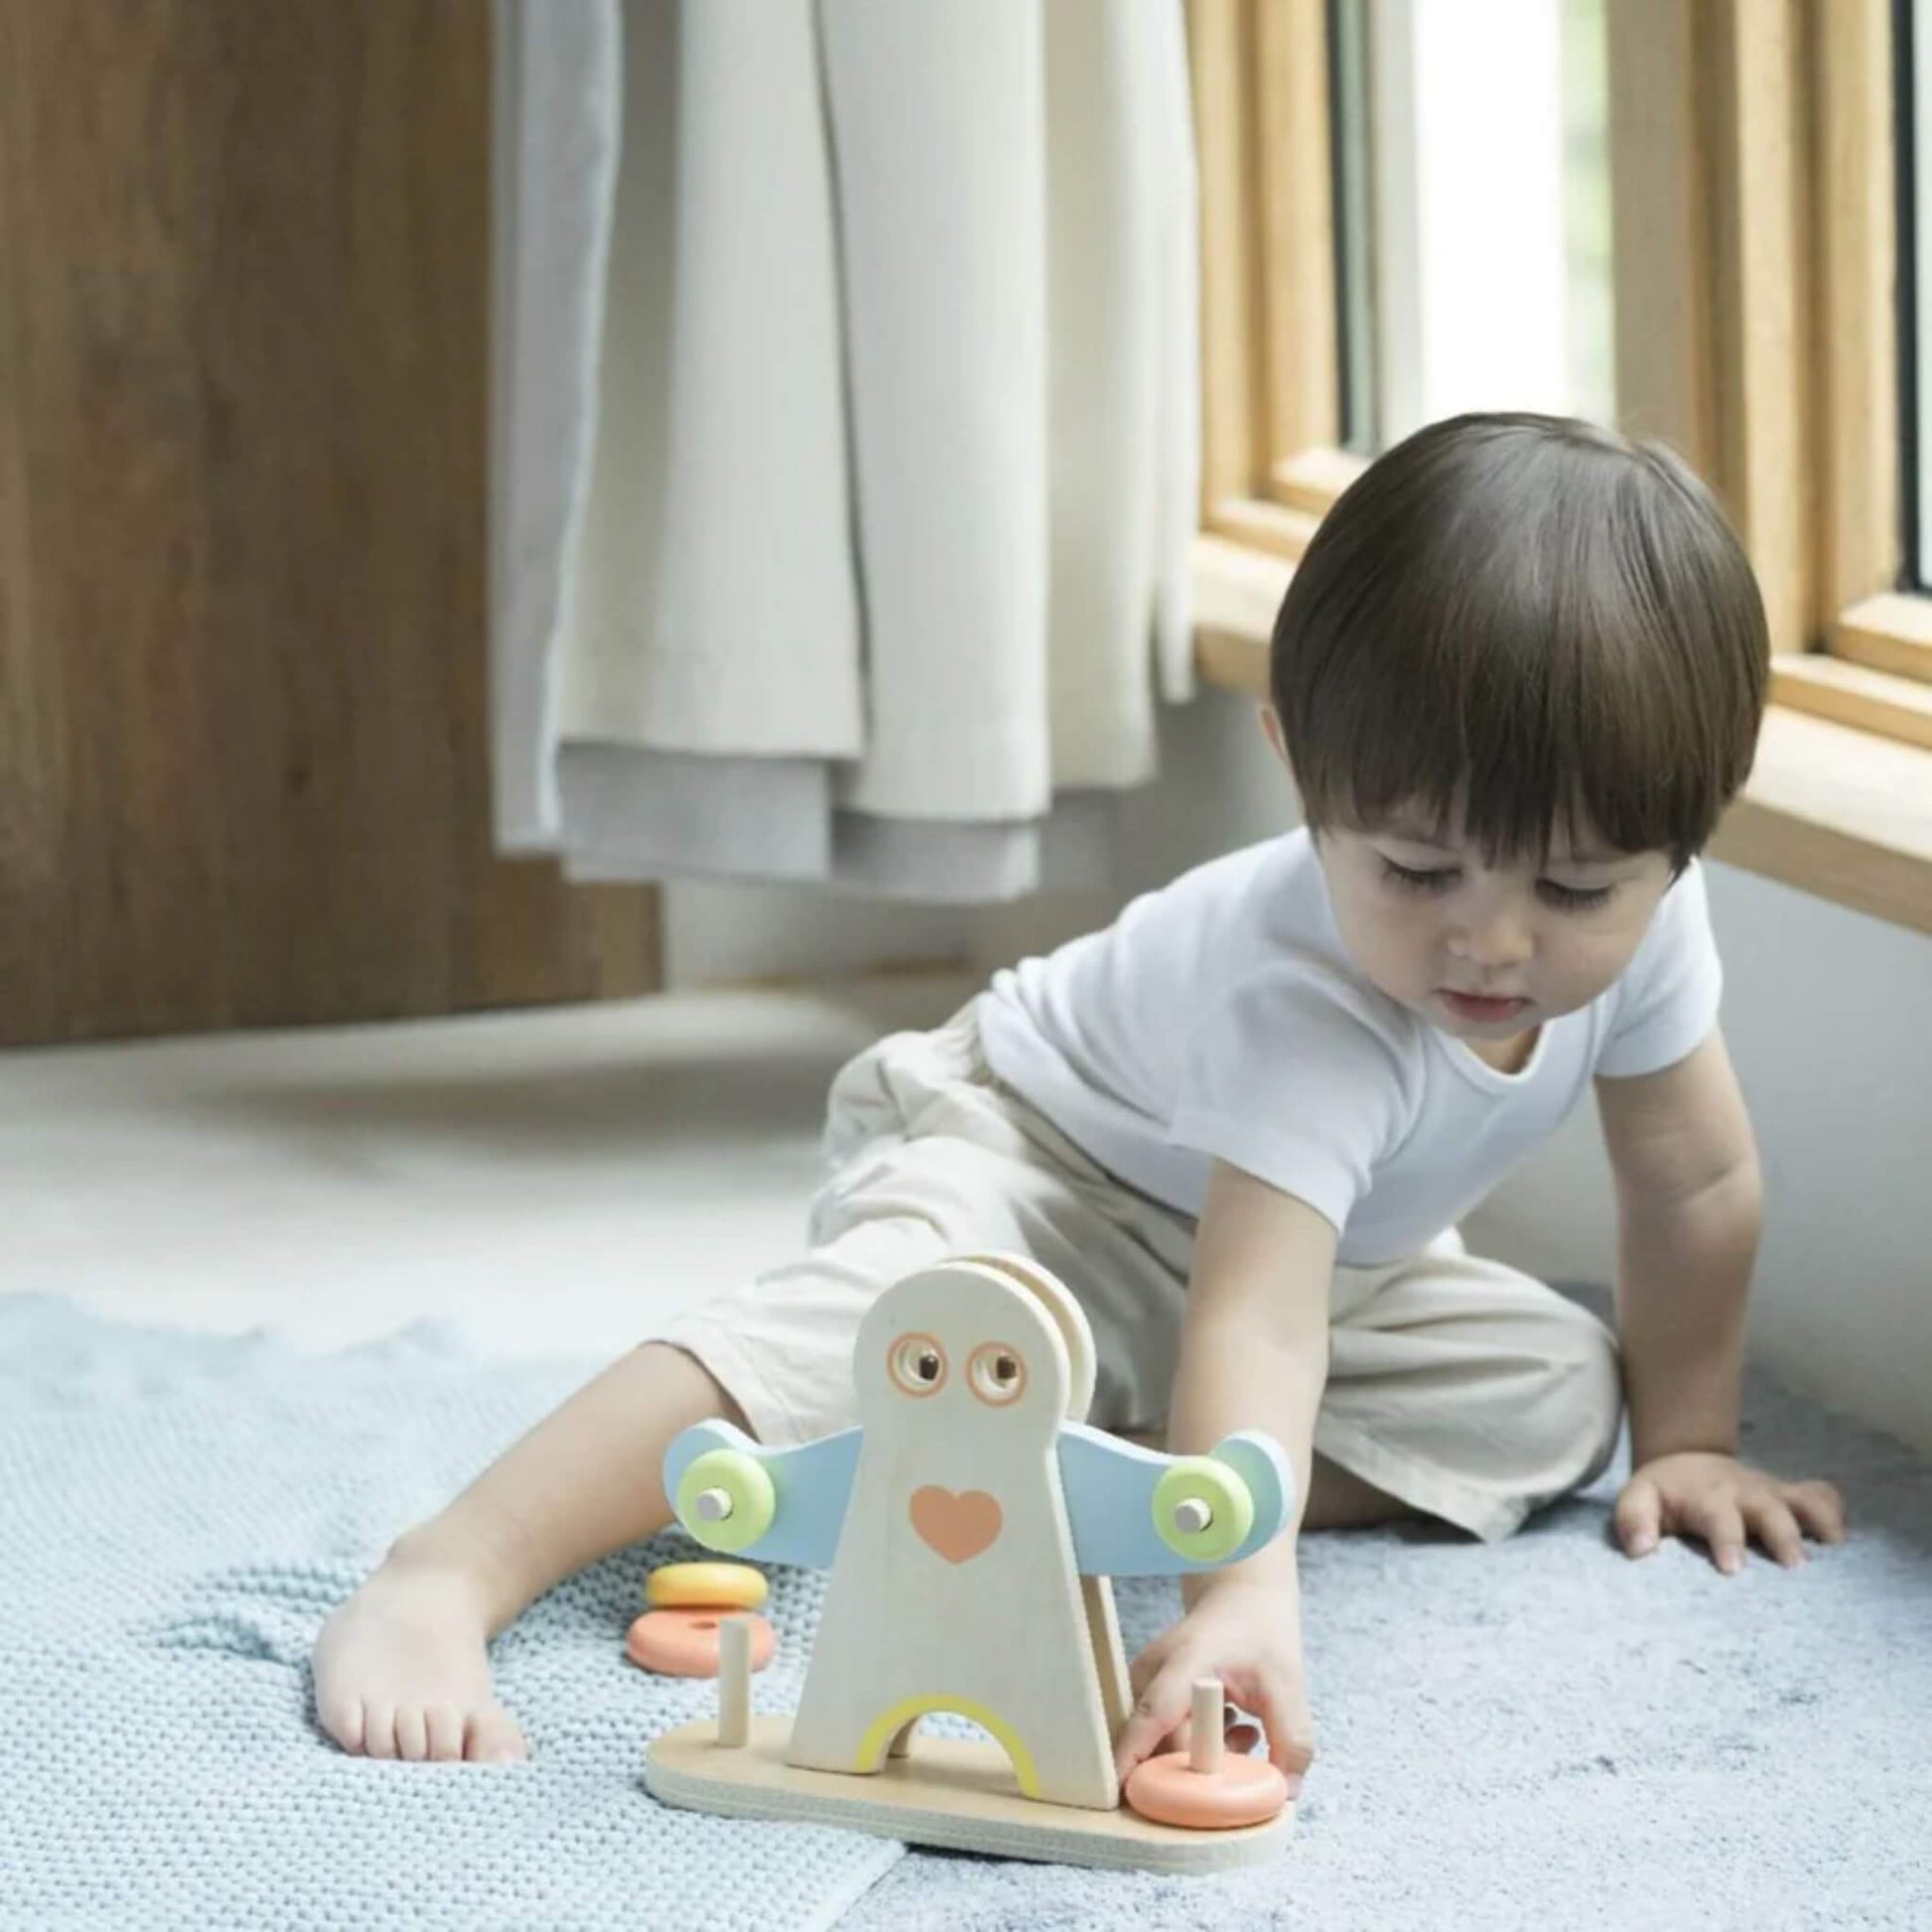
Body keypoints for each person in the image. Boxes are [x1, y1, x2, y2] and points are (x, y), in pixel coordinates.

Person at [312, 411, 1848, 1784]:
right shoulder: (1302, 1003)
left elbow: (1692, 1185)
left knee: (1556, 1391)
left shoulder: (1647, 933)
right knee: (882, 1321)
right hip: (1028, 1159)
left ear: (1677, 847)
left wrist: (1687, 1434)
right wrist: (1237, 1601)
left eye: (1573, 886)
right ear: (1297, 766)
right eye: (1416, 869)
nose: (1491, 940)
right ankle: (454, 1563)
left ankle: (1066, 1452)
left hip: (1284, 1265)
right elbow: (1254, 1323)